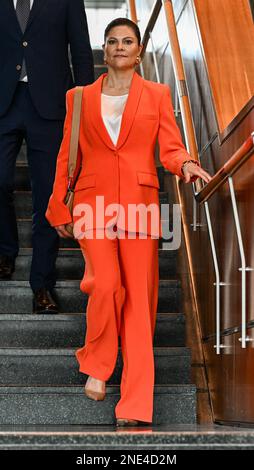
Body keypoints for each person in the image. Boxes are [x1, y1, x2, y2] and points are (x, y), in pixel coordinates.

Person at [46, 18, 211, 426]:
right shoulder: (79, 97)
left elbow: (170, 147)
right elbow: (67, 154)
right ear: (105, 50)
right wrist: (57, 206)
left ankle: (135, 406)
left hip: (140, 206)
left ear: (139, 52)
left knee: (140, 307)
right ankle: (98, 363)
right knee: (106, 283)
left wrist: (186, 162)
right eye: (113, 41)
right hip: (92, 205)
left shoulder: (156, 94)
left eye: (128, 41)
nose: (120, 46)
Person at [0, 0, 94, 314]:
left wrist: (85, 107)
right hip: (3, 104)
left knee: (47, 198)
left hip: (52, 108)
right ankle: (5, 252)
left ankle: (42, 283)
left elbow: (81, 49)